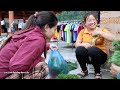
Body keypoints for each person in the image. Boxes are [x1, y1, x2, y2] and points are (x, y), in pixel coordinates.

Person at [0, 11, 58, 79]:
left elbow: (27, 44)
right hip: (4, 75)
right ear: (46, 27)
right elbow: (16, 67)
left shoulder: (33, 33)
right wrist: (38, 60)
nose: (54, 33)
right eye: (55, 29)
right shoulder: (38, 39)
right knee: (43, 67)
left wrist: (47, 46)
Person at [75, 13, 115, 79]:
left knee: (93, 49)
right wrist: (83, 44)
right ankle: (84, 70)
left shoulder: (101, 30)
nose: (92, 22)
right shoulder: (82, 32)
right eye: (89, 20)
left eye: (94, 20)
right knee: (79, 49)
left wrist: (100, 33)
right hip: (88, 57)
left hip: (101, 57)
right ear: (85, 23)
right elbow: (76, 44)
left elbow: (113, 38)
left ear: (96, 21)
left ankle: (97, 72)